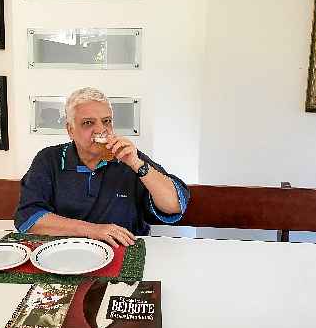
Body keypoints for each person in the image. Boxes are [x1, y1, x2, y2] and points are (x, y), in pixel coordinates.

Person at [14, 87, 189, 247]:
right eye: (88, 123)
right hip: (66, 252)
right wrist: (93, 230)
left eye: (106, 121)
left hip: (124, 252)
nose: (101, 130)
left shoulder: (129, 158)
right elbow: (29, 217)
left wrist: (137, 164)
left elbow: (174, 205)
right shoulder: (48, 159)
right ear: (70, 130)